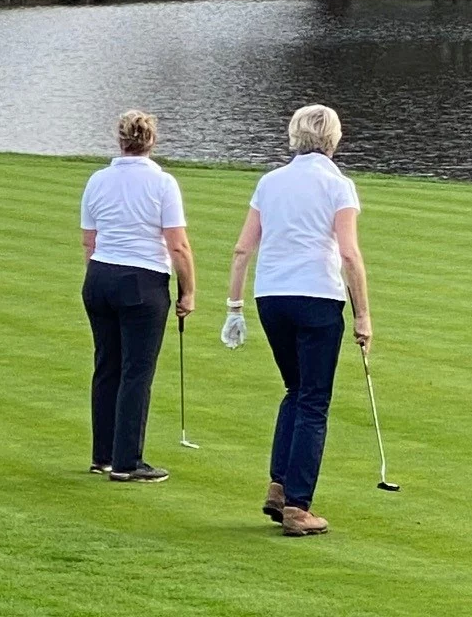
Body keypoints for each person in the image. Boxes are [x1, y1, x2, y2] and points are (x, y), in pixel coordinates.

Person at [221, 103, 371, 537]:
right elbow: (349, 254)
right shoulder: (338, 186)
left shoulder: (270, 182)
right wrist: (363, 315)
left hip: (272, 297)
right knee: (313, 400)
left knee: (296, 389)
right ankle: (298, 506)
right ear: (333, 139)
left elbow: (242, 249)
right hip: (316, 297)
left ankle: (279, 486)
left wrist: (234, 307)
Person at [80, 110, 196, 483]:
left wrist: (101, 275)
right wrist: (188, 291)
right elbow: (178, 246)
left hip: (99, 277)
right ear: (151, 141)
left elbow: (89, 242)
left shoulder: (97, 180)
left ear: (120, 141)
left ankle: (104, 455)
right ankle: (127, 461)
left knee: (107, 366)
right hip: (142, 281)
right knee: (135, 371)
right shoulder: (163, 184)